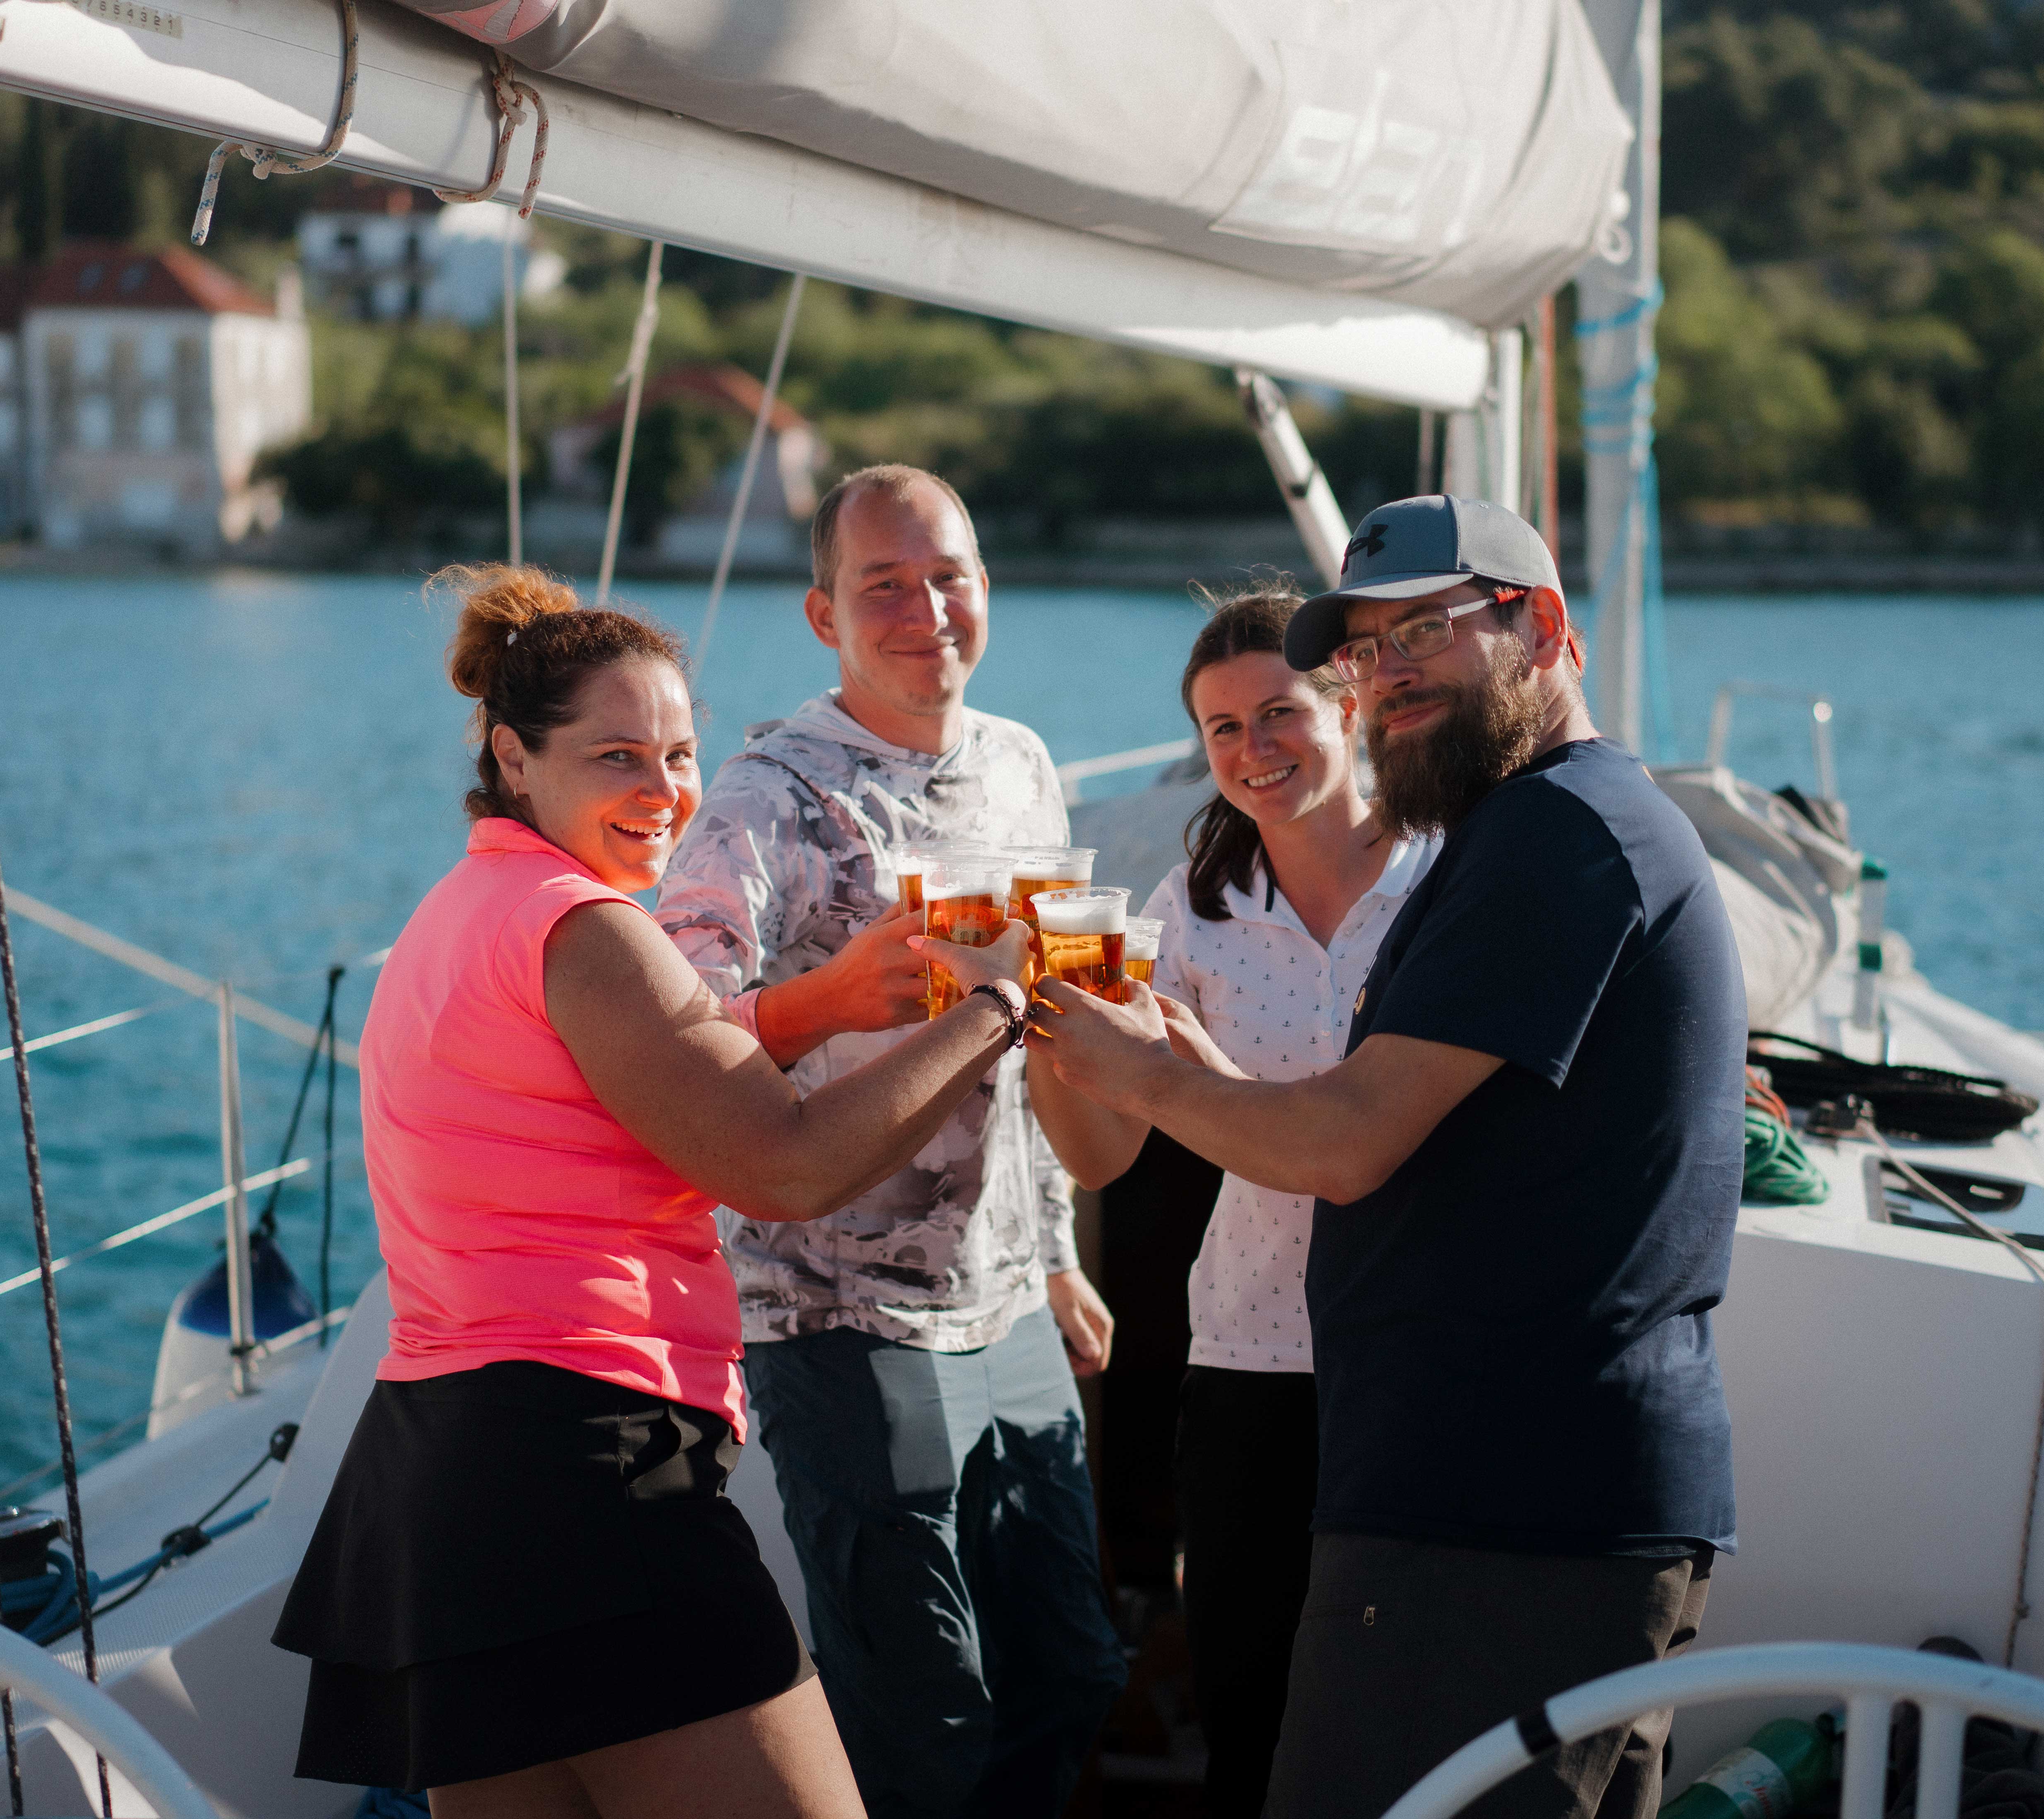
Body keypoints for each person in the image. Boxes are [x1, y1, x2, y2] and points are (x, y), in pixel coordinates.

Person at [274, 565, 1039, 1819]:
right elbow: (782, 1165)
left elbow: (635, 1077)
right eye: (617, 757)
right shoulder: (591, 929)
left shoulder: (464, 911)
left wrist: (808, 1008)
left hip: (436, 1481)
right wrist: (1005, 999)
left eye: (680, 755)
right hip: (586, 1474)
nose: (665, 791)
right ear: (515, 759)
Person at [1030, 496, 1747, 1819]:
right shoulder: (1550, 826)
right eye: (1366, 650)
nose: (1388, 674)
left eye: (1425, 629)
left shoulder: (1552, 833)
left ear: (1543, 627)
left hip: (1501, 1510)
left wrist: (1149, 1071)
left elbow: (1349, 1138)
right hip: (1520, 1489)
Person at [654, 466, 1126, 1818]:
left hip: (1008, 1303)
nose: (927, 610)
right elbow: (674, 1038)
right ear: (824, 616)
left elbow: (1033, 1030)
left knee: (1069, 1673)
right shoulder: (767, 796)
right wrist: (823, 998)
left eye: (949, 576)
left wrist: (1054, 1253)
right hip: (834, 1311)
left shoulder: (1021, 763)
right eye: (885, 586)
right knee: (923, 1714)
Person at [1028, 583, 1435, 1819]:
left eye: (1278, 713)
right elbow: (1103, 1157)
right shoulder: (1191, 914)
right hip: (1251, 1360)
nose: (1252, 749)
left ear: (1349, 703)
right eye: (1221, 728)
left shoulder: (1447, 880)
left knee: (1413, 1712)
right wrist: (1047, 1032)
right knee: (1252, 1711)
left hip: (1424, 1357)